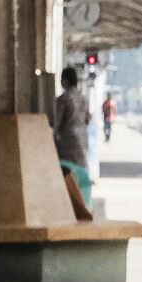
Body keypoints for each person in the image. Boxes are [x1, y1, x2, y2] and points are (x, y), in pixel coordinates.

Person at [51, 66, 94, 204]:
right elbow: (88, 119)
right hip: (82, 139)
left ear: (65, 81)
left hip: (67, 141)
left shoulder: (63, 99)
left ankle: (70, 204)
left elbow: (57, 123)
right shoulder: (83, 98)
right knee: (81, 173)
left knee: (67, 174)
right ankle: (83, 203)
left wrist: (54, 138)